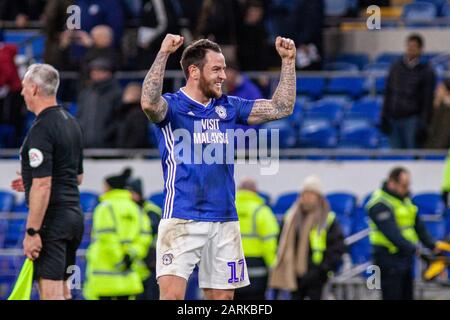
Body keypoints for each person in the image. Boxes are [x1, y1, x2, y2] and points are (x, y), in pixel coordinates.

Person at [140, 33, 296, 300]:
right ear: (194, 71)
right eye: (216, 69)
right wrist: (164, 53)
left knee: (223, 300)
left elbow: (281, 107)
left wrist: (289, 62)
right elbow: (148, 103)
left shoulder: (229, 107)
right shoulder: (173, 108)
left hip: (224, 219)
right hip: (181, 217)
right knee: (172, 298)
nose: (224, 75)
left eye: (223, 68)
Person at [10, 64, 84, 300]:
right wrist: (30, 179)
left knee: (50, 295)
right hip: (74, 217)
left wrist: (32, 232)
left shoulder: (41, 129)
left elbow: (43, 185)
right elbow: (76, 176)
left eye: (23, 87)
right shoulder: (70, 121)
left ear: (33, 89)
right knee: (63, 292)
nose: (21, 93)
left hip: (52, 221)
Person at [365, 167, 449, 300]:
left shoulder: (405, 200)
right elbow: (392, 234)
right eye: (404, 185)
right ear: (392, 183)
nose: (407, 188)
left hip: (405, 257)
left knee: (407, 295)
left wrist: (432, 245)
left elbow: (418, 226)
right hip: (388, 258)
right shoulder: (379, 203)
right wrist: (417, 250)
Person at [269, 175, 345, 300]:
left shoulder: (328, 219)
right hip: (293, 274)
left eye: (311, 194)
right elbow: (281, 242)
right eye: (305, 193)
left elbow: (337, 247)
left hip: (318, 275)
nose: (307, 197)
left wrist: (323, 269)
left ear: (319, 197)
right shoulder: (290, 217)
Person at [83, 168, 152, 300]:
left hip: (104, 277)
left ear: (110, 188)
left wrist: (119, 260)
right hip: (129, 274)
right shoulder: (136, 208)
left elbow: (106, 237)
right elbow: (144, 236)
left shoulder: (104, 208)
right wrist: (130, 255)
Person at [381, 34, 436, 149]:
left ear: (420, 49)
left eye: (414, 46)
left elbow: (428, 100)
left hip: (412, 120)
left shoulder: (426, 71)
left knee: (412, 153)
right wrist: (384, 115)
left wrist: (424, 123)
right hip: (394, 118)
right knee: (395, 156)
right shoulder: (395, 67)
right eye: (408, 46)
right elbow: (389, 93)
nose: (410, 49)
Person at [234, 178, 279, 300]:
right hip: (257, 267)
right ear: (255, 191)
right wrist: (273, 266)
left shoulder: (228, 209)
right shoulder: (262, 211)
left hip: (232, 264)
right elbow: (270, 243)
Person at [127, 177, 162, 300]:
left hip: (152, 264)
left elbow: (148, 234)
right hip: (139, 266)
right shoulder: (131, 209)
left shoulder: (151, 211)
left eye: (130, 192)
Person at [76, 58, 122, 148]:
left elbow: (119, 120)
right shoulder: (85, 93)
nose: (95, 73)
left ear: (109, 73)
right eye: (93, 71)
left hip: (108, 147)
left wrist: (107, 134)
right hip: (85, 146)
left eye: (100, 70)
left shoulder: (116, 93)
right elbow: (80, 116)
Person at [116, 83, 150, 148]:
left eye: (129, 93)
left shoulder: (137, 114)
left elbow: (138, 136)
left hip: (132, 153)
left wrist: (125, 150)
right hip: (125, 151)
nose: (125, 96)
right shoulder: (124, 112)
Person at [425, 78, 450, 149]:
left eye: (440, 89)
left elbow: (444, 135)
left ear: (447, 92)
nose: (436, 91)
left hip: (439, 152)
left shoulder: (446, 110)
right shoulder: (439, 106)